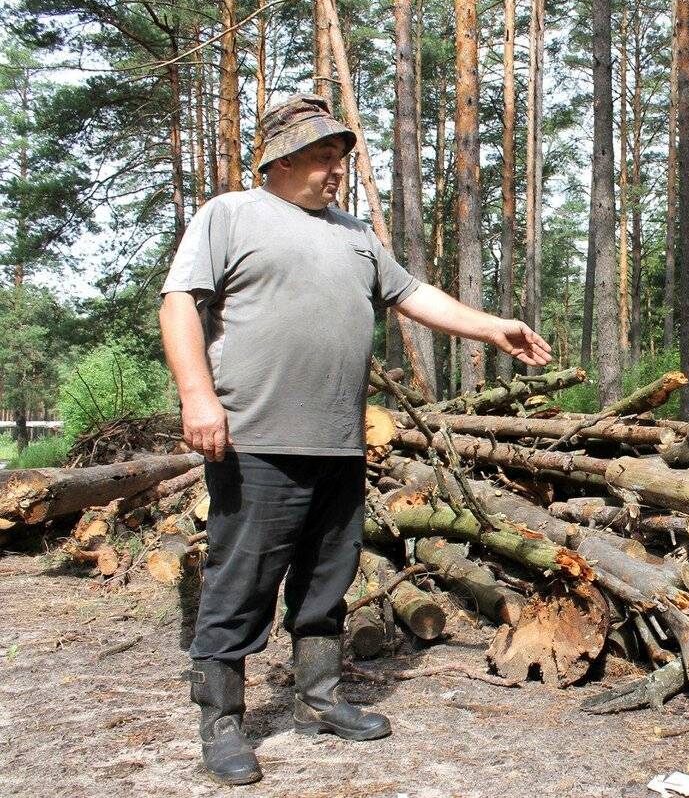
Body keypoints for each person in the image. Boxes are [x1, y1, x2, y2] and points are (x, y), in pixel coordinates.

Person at [159, 93, 551, 786]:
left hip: (338, 443)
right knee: (240, 582)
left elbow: (415, 296)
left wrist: (493, 326)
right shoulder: (231, 214)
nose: (335, 169)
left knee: (325, 582)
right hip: (256, 439)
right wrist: (197, 394)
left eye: (339, 157)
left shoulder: (355, 235)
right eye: (319, 156)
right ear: (278, 160)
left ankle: (319, 696)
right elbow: (179, 303)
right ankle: (220, 721)